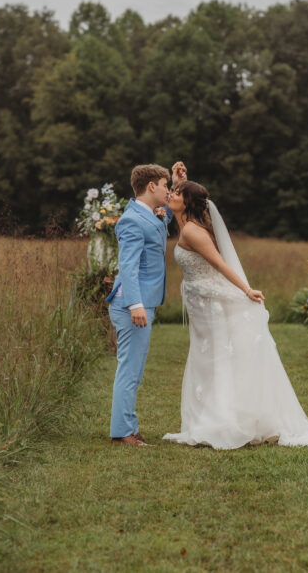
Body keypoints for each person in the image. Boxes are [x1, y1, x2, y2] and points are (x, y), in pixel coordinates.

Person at [162, 180, 308, 452]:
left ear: (186, 202)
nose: (170, 195)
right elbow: (181, 211)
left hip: (213, 304)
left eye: (175, 193)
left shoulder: (194, 233)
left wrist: (246, 289)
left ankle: (224, 421)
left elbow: (220, 264)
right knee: (209, 358)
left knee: (217, 359)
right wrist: (178, 178)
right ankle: (217, 418)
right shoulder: (187, 226)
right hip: (202, 305)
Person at [105, 161, 186, 447]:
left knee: (133, 370)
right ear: (151, 186)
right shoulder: (131, 220)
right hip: (133, 305)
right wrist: (135, 304)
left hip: (141, 303)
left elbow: (161, 225)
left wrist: (176, 182)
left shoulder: (150, 215)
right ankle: (123, 433)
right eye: (165, 186)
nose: (168, 191)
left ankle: (127, 427)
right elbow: (127, 266)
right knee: (130, 370)